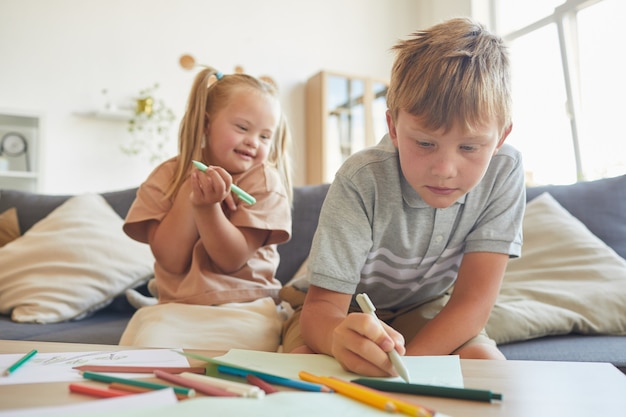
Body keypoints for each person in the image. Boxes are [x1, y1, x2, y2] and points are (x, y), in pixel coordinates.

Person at [280, 17, 525, 377]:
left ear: (500, 138)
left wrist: (405, 371)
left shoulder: (505, 170)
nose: (444, 168)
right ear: (393, 127)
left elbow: (473, 302)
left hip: (427, 307)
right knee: (304, 363)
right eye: (425, 143)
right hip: (338, 310)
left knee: (488, 368)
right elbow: (322, 308)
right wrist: (337, 339)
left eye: (470, 147)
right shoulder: (361, 179)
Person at [120, 67, 293, 350]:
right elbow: (171, 260)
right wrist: (190, 192)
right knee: (147, 350)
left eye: (265, 137)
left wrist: (207, 208)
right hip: (176, 308)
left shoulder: (264, 181)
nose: (253, 142)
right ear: (205, 124)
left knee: (241, 359)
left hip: (245, 306)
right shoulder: (168, 177)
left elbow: (231, 259)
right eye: (242, 128)